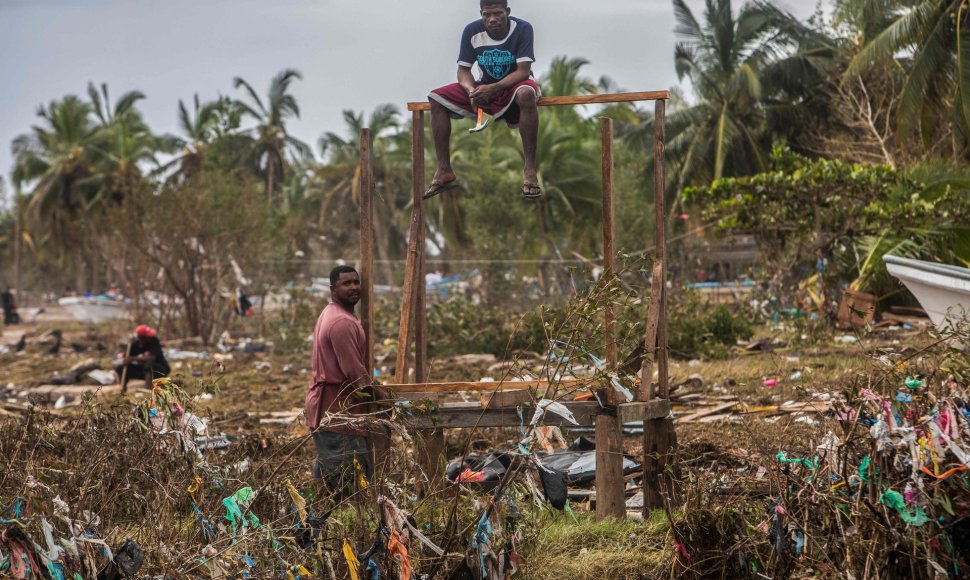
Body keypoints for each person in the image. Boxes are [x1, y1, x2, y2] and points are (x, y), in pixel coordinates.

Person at [425, 0, 541, 200]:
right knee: (436, 97)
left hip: (515, 84)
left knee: (527, 94)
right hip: (484, 86)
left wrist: (493, 88)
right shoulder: (471, 31)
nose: (492, 19)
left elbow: (523, 71)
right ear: (481, 14)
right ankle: (444, 170)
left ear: (508, 12)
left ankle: (529, 171)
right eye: (487, 15)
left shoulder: (522, 28)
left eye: (497, 14)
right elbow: (463, 70)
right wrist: (472, 91)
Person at [306, 265, 381, 491]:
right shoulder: (341, 323)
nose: (354, 288)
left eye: (356, 282)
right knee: (347, 483)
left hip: (329, 411)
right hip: (338, 414)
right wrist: (387, 401)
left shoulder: (335, 314)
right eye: (346, 284)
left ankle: (316, 523)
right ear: (333, 289)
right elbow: (356, 375)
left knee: (329, 482)